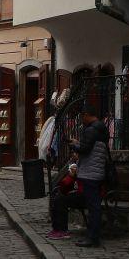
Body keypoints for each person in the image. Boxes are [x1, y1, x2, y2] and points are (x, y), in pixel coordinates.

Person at [70, 105, 109, 248]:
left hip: (90, 173)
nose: (82, 120)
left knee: (93, 207)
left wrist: (74, 145)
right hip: (97, 171)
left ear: (87, 115)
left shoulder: (92, 130)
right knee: (94, 206)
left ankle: (92, 237)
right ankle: (92, 236)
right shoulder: (101, 129)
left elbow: (85, 149)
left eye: (82, 116)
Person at [46, 161, 84, 240]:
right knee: (58, 198)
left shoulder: (86, 166)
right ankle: (57, 229)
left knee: (61, 200)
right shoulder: (79, 165)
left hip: (86, 195)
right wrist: (71, 175)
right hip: (81, 192)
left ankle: (62, 230)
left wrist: (73, 175)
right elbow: (64, 186)